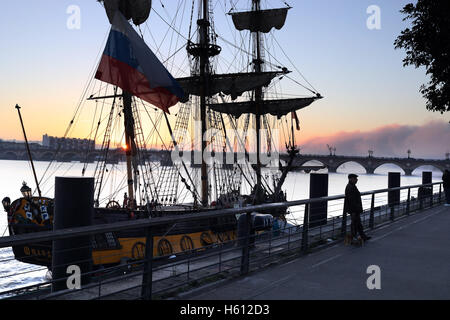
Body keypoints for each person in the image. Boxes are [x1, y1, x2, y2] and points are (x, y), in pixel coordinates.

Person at [344, 174, 371, 241]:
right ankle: (354, 237)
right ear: (350, 179)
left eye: (356, 179)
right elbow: (351, 200)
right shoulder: (350, 187)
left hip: (355, 209)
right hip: (354, 209)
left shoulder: (352, 186)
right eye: (355, 178)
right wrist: (355, 210)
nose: (356, 180)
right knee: (355, 224)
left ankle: (362, 236)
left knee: (357, 223)